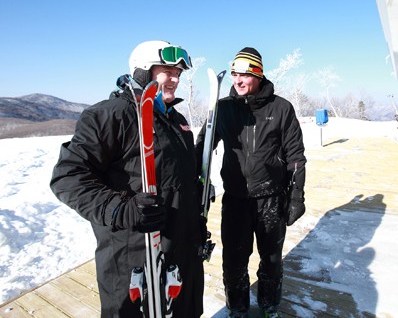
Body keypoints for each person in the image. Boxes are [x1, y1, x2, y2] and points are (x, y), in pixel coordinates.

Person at [50, 40, 205, 317]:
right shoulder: (110, 116)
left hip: (179, 251)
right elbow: (68, 177)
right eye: (167, 71)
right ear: (143, 72)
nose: (175, 79)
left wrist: (197, 199)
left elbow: (176, 176)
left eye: (178, 74)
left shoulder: (177, 120)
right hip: (133, 254)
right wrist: (121, 208)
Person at [195, 47, 306, 317]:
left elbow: (296, 157)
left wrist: (296, 197)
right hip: (235, 200)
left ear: (258, 75)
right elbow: (203, 148)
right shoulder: (223, 109)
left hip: (271, 199)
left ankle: (269, 307)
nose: (237, 80)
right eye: (234, 74)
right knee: (233, 261)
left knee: (271, 261)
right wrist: (197, 183)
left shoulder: (281, 108)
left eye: (244, 75)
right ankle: (238, 309)